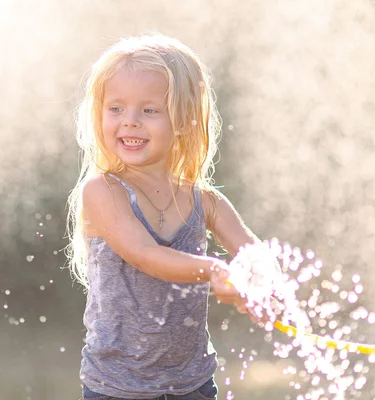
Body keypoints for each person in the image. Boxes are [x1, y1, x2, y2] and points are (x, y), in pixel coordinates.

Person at [66, 33, 273, 400]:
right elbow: (144, 254)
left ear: (183, 120)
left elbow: (252, 252)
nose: (130, 122)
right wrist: (214, 271)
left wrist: (261, 288)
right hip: (118, 387)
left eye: (149, 110)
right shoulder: (104, 191)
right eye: (116, 108)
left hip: (192, 385)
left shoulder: (204, 201)